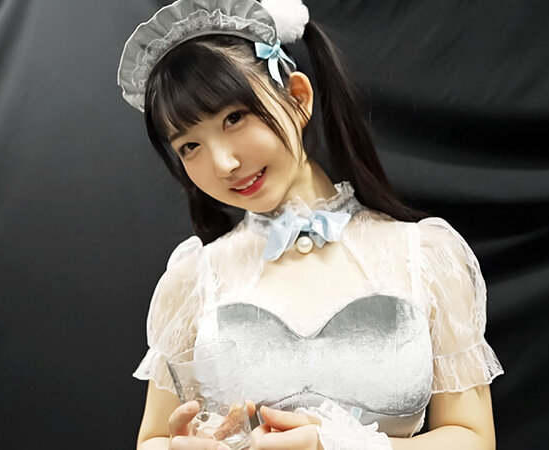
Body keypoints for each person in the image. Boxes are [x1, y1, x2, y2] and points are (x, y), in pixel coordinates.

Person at [117, 0, 504, 448]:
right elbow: (153, 440)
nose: (223, 163)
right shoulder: (191, 281)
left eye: (234, 118)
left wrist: (338, 444)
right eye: (189, 146)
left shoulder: (427, 256)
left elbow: (473, 438)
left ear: (297, 98)